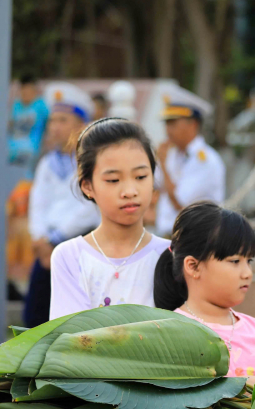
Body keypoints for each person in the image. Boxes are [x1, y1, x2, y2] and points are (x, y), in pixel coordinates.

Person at [154, 201, 255, 395]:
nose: (247, 273)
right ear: (193, 266)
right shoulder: (166, 332)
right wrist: (235, 387)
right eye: (235, 261)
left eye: (248, 261)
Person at [48, 118, 170, 319]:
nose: (130, 191)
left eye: (140, 177)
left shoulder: (170, 256)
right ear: (87, 186)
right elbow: (69, 340)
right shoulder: (70, 257)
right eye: (113, 180)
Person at [24, 83, 101, 327]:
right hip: (46, 247)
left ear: (80, 125)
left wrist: (54, 239)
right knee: (34, 317)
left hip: (78, 242)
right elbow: (38, 203)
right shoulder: (48, 162)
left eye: (62, 120)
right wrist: (40, 238)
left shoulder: (93, 161)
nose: (54, 127)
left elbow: (90, 207)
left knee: (75, 320)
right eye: (52, 120)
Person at [155, 86, 225, 237]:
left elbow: (180, 202)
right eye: (167, 123)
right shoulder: (173, 155)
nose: (168, 130)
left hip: (195, 237)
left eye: (173, 123)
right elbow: (155, 190)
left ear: (193, 124)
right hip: (170, 234)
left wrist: (163, 165)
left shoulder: (205, 160)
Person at [8, 74, 49, 173]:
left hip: (31, 154)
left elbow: (49, 125)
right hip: (11, 153)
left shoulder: (41, 105)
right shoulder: (16, 105)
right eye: (22, 89)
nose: (25, 92)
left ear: (34, 90)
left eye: (28, 89)